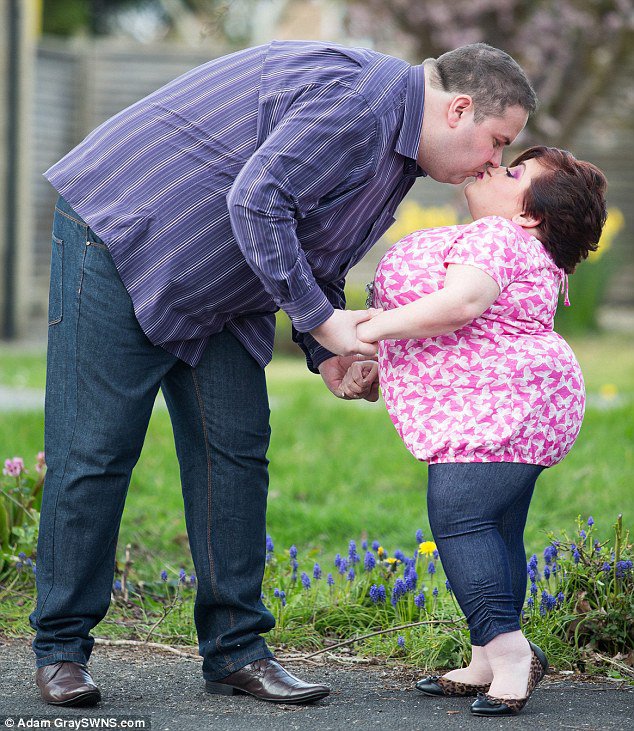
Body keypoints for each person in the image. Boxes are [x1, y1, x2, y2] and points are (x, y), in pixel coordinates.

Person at [31, 40, 537, 707]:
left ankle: (236, 650)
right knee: (95, 451)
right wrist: (326, 322)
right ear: (460, 109)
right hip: (127, 237)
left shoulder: (399, 153)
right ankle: (61, 650)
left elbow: (313, 238)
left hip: (223, 278)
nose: (494, 163)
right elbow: (259, 199)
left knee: (234, 450)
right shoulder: (361, 104)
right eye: (496, 142)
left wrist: (322, 347)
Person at [342, 145, 607, 715]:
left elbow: (460, 305)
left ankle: (513, 654)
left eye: (513, 173)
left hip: (495, 407)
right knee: (496, 526)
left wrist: (365, 330)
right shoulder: (532, 252)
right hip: (534, 405)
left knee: (459, 519)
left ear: (529, 215)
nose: (493, 167)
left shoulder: (495, 236)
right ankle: (488, 654)